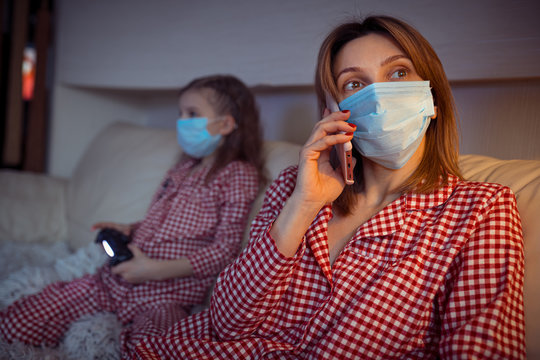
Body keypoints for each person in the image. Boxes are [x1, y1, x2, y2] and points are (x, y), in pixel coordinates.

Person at [134, 15, 526, 359]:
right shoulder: (294, 185)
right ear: (335, 110)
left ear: (432, 96)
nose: (379, 95)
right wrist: (303, 205)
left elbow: (481, 347)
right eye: (354, 84)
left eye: (398, 73)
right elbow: (227, 323)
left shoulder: (481, 209)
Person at [0, 74, 265, 357]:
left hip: (166, 295)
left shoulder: (238, 174)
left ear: (225, 124)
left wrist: (153, 270)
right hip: (115, 281)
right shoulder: (182, 168)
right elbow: (162, 222)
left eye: (192, 114)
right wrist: (129, 228)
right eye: (180, 113)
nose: (181, 121)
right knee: (24, 318)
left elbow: (225, 250)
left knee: (153, 348)